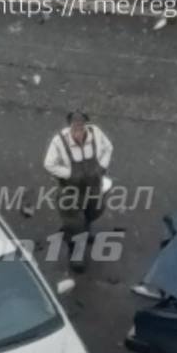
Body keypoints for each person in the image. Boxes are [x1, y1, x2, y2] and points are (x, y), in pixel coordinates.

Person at [43, 111, 113, 272]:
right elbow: (49, 164)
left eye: (81, 128)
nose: (78, 132)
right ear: (70, 127)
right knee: (74, 222)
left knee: (95, 211)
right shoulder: (59, 141)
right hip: (71, 190)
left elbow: (108, 147)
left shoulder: (95, 133)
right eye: (75, 128)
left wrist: (101, 166)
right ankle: (76, 254)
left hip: (93, 186)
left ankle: (84, 231)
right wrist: (69, 174)